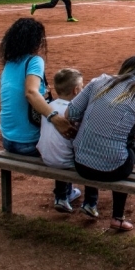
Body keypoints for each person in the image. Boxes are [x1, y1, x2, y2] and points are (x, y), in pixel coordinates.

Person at [0, 17, 79, 210]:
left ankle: (65, 192)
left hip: (8, 139)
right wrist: (55, 118)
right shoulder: (35, 61)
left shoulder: (9, 63)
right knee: (65, 137)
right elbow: (30, 92)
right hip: (27, 144)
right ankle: (63, 194)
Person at [67, 56, 135, 232]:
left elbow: (71, 112)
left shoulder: (99, 81)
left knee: (117, 142)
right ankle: (118, 217)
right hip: (114, 169)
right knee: (125, 146)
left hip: (81, 164)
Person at [36, 68, 99, 215]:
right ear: (76, 90)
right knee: (92, 159)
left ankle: (61, 197)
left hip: (47, 157)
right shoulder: (77, 111)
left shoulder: (48, 107)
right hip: (65, 161)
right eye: (82, 86)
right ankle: (90, 202)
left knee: (62, 150)